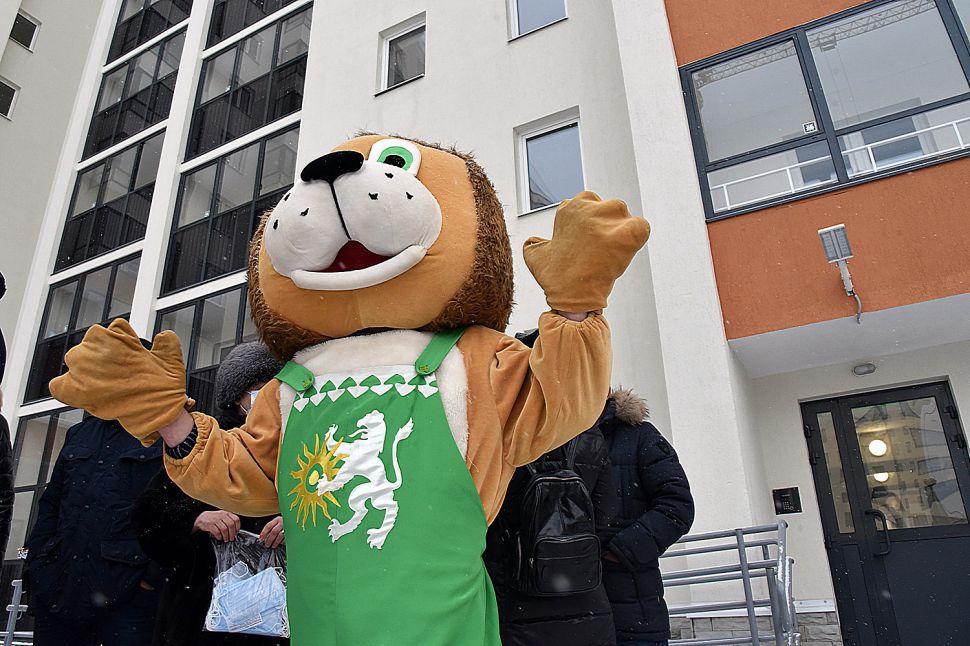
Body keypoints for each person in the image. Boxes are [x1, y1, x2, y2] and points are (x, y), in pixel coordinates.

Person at [133, 341, 286, 646]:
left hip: (283, 613)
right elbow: (148, 518)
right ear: (235, 398)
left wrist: (295, 522)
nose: (269, 398)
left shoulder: (301, 444)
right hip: (201, 612)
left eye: (275, 389)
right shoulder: (203, 446)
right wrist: (196, 519)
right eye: (258, 390)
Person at [483, 329, 619, 646]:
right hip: (585, 593)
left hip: (517, 595)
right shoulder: (588, 432)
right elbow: (607, 513)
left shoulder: (500, 431)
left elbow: (485, 515)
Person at [25, 414, 164, 646]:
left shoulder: (165, 430)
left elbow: (172, 509)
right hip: (60, 584)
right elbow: (51, 504)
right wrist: (37, 562)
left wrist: (150, 577)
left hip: (128, 592)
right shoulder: (80, 432)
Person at [598, 389, 694, 646]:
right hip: (568, 616)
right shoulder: (554, 440)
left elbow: (677, 506)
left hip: (633, 616)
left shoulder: (639, 435)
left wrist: (619, 552)